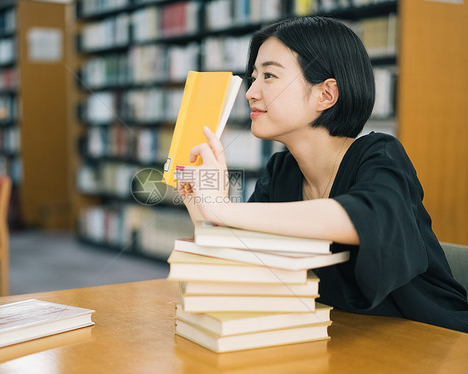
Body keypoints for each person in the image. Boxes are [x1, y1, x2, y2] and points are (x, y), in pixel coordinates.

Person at [177, 16, 468, 333]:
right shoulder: (281, 171)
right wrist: (202, 204)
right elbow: (246, 264)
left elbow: (365, 218)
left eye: (270, 76)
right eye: (253, 77)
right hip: (340, 338)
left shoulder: (380, 155)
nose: (251, 92)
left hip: (434, 339)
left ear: (326, 95)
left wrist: (224, 207)